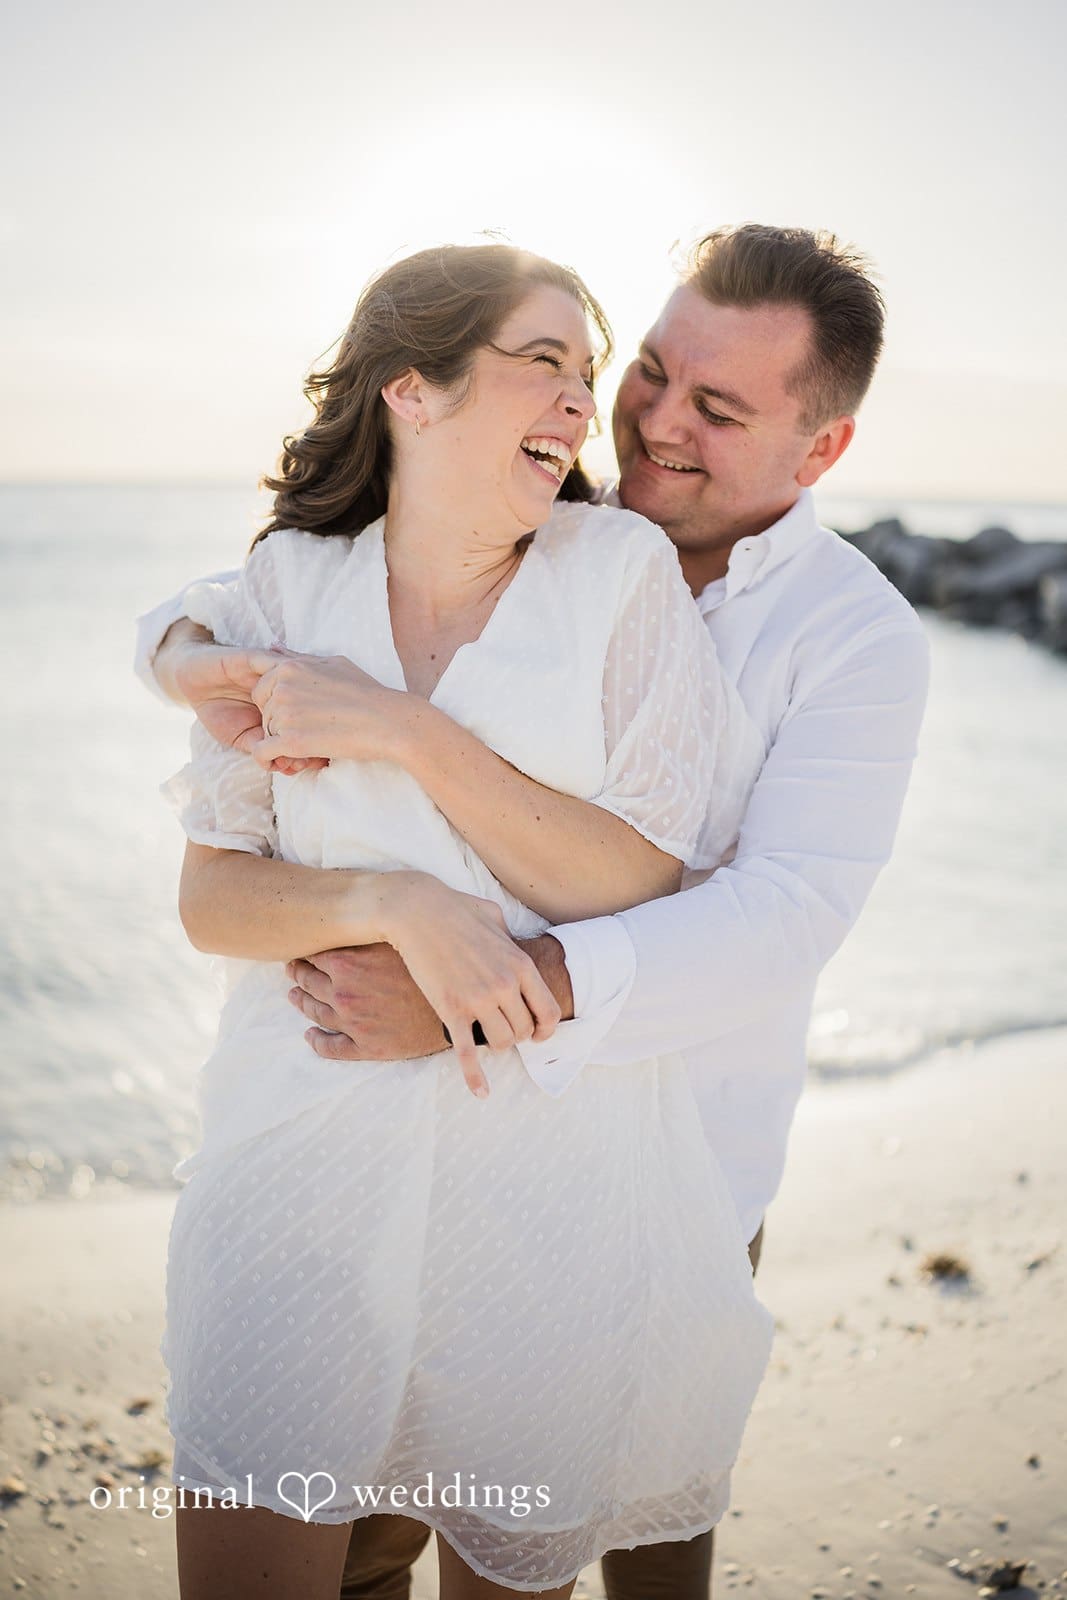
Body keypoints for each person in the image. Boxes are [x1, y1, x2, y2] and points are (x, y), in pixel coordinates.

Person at [138, 224, 931, 1600]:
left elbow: (776, 914)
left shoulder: (852, 638)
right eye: (656, 375)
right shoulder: (560, 534)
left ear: (820, 453)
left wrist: (475, 984)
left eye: (717, 408)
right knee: (352, 1546)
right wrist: (176, 651)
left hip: (670, 1151)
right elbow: (259, 605)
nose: (649, 419)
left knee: (625, 1557)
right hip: (349, 1161)